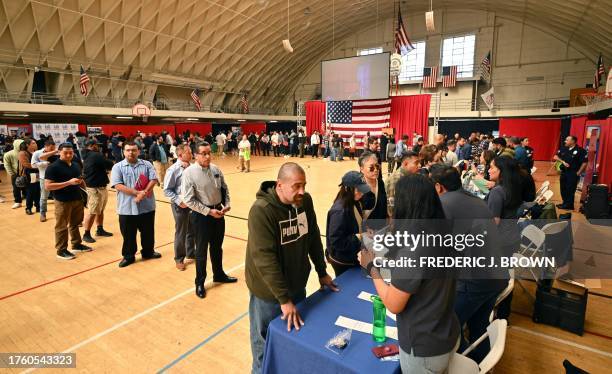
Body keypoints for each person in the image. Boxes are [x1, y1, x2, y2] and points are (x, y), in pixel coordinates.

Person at [359, 174, 459, 374]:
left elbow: (393, 304)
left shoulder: (415, 250)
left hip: (424, 350)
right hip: (445, 333)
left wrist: (370, 268)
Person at [245, 162, 338, 374]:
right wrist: (283, 299)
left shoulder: (305, 202)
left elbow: (313, 236)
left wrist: (321, 271)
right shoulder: (262, 211)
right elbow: (265, 260)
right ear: (280, 185)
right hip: (268, 294)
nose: (302, 191)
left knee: (293, 340)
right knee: (265, 344)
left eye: (304, 185)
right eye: (296, 186)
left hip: (296, 286)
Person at [430, 165, 507, 362]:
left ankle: (468, 364)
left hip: (475, 280)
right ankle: (481, 364)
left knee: (447, 326)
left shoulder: (445, 204)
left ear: (438, 187)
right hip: (496, 276)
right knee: (478, 326)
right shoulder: (475, 200)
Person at [181, 142, 237, 299]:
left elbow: (224, 188)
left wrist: (226, 204)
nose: (207, 156)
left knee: (217, 247)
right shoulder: (189, 173)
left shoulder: (216, 169)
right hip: (201, 216)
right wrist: (208, 211)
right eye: (203, 153)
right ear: (196, 155)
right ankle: (200, 282)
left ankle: (218, 274)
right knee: (201, 251)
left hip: (218, 213)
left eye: (208, 153)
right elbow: (188, 200)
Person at [111, 142, 161, 268]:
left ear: (139, 151)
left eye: (134, 150)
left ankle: (148, 252)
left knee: (148, 232)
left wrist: (143, 193)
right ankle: (128, 256)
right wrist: (137, 193)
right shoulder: (118, 167)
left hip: (147, 206)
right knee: (128, 234)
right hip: (127, 208)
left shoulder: (147, 164)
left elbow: (153, 179)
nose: (131, 152)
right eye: (128, 150)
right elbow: (118, 185)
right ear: (123, 151)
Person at [486, 156, 523, 320]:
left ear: (501, 171)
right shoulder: (513, 187)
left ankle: (490, 312)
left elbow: (494, 223)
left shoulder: (497, 192)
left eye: (492, 167)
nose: (489, 169)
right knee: (505, 276)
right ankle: (503, 314)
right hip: (512, 238)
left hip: (499, 241)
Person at [44, 143, 92, 260]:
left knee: (75, 224)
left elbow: (80, 180)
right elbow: (48, 186)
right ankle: (61, 250)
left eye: (71, 152)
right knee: (61, 226)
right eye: (65, 152)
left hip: (77, 199)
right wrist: (68, 183)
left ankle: (76, 244)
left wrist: (86, 193)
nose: (69, 155)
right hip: (62, 201)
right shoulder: (53, 167)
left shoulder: (75, 165)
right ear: (59, 152)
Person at [325, 171, 371, 276]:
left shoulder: (355, 201)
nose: (362, 193)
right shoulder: (339, 211)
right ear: (347, 189)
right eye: (359, 190)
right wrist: (359, 237)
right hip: (343, 260)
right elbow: (337, 241)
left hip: (353, 253)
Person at [164, 144, 195, 271]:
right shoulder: (173, 170)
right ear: (181, 155)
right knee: (181, 232)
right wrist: (178, 201)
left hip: (192, 204)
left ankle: (191, 253)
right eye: (189, 152)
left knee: (191, 229)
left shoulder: (193, 167)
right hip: (180, 205)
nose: (191, 153)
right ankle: (179, 258)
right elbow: (167, 190)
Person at [82, 139, 114, 243]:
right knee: (92, 211)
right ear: (91, 146)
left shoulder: (87, 155)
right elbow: (109, 164)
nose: (98, 147)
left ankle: (100, 229)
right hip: (95, 187)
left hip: (97, 185)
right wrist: (106, 159)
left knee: (99, 210)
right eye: (96, 145)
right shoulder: (96, 155)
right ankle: (86, 234)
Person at [553, 135, 587, 210]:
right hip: (564, 172)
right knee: (563, 189)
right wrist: (563, 161)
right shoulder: (564, 148)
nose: (565, 141)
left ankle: (569, 205)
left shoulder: (580, 150)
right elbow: (555, 157)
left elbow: (584, 163)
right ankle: (565, 203)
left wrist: (578, 172)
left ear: (573, 141)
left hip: (573, 173)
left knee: (570, 190)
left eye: (567, 140)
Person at [385, 151, 420, 216]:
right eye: (416, 163)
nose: (419, 165)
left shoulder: (410, 176)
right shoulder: (395, 180)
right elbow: (391, 207)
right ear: (405, 163)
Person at [31, 140, 58, 222]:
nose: (52, 150)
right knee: (44, 197)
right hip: (44, 177)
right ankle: (43, 214)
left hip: (57, 177)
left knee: (58, 196)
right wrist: (45, 163)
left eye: (53, 148)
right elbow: (33, 165)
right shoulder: (37, 153)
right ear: (46, 146)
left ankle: (59, 213)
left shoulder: (56, 152)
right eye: (51, 148)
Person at [359, 152, 388, 225]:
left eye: (377, 166)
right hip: (365, 231)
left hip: (381, 228)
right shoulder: (357, 187)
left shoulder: (380, 183)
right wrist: (365, 229)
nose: (376, 170)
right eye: (371, 168)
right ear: (362, 169)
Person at [18, 138, 40, 215]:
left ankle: (38, 206)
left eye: (35, 143)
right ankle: (28, 208)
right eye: (33, 143)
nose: (35, 144)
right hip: (28, 174)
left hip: (37, 173)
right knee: (30, 192)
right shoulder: (22, 153)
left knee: (37, 190)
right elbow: (26, 164)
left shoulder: (36, 152)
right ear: (28, 145)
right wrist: (39, 166)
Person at [3, 139, 25, 209]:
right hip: (15, 174)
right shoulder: (8, 154)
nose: (23, 146)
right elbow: (7, 165)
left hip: (26, 173)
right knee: (16, 189)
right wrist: (12, 174)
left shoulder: (25, 152)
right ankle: (18, 202)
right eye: (21, 144)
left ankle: (28, 199)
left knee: (28, 187)